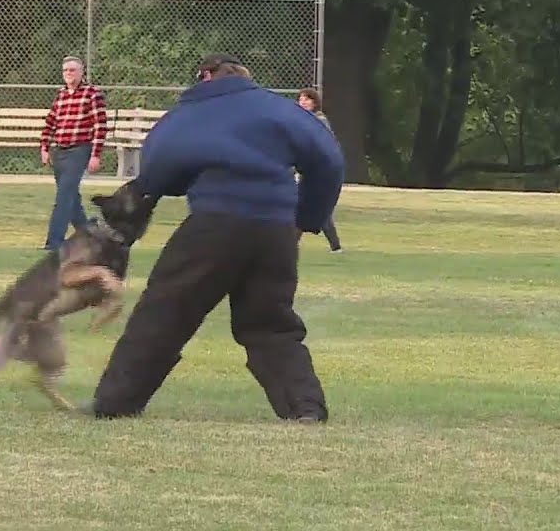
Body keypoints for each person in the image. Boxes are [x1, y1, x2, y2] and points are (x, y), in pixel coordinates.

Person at [85, 53, 345, 423]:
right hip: (275, 231)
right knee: (270, 323)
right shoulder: (280, 110)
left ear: (206, 76)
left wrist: (151, 192)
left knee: (164, 311)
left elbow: (157, 166)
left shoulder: (192, 113)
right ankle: (305, 408)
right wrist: (306, 219)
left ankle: (116, 402)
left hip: (214, 225)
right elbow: (330, 161)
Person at [39, 55, 108, 251]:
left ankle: (54, 242)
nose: (68, 74)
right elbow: (51, 123)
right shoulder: (61, 95)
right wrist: (44, 146)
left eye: (72, 70)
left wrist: (96, 154)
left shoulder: (92, 94)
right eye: (65, 70)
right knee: (72, 199)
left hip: (79, 150)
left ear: (82, 72)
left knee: (64, 197)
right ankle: (90, 234)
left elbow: (100, 125)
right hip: (59, 150)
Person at [297, 87, 343, 253]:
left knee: (314, 208)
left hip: (320, 170)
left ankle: (335, 246)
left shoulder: (319, 120)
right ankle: (335, 246)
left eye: (307, 99)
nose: (303, 101)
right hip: (309, 169)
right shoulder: (300, 119)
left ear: (315, 102)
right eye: (301, 98)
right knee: (306, 206)